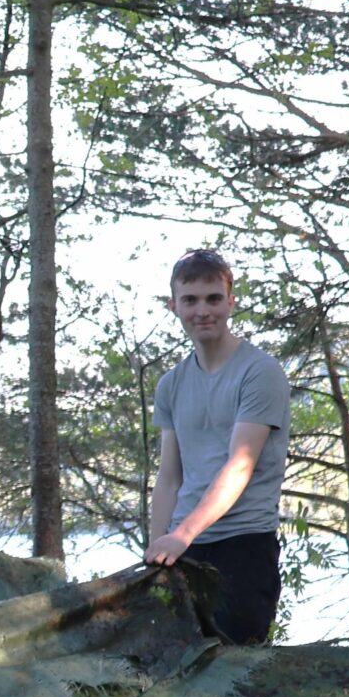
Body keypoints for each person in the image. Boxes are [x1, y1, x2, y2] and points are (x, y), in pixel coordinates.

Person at [144, 248, 290, 644]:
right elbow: (169, 478)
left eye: (213, 298)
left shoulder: (260, 372)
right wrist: (157, 550)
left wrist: (181, 535)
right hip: (184, 551)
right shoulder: (171, 384)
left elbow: (239, 465)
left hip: (243, 547)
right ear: (174, 305)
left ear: (230, 301)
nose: (202, 310)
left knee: (232, 677)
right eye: (190, 300)